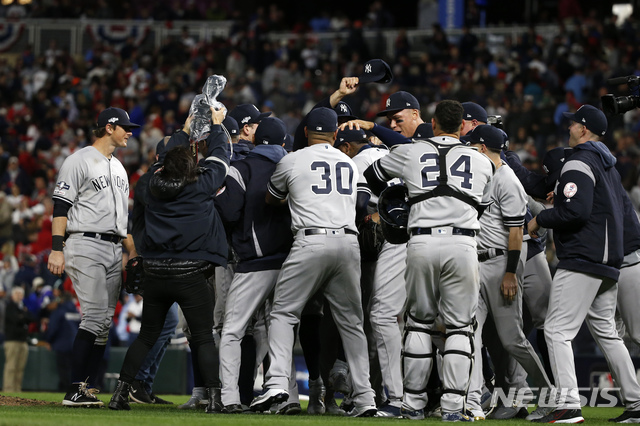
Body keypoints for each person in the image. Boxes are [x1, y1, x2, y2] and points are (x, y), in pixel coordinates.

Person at [363, 99, 494, 421]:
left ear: (433, 124)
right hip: (463, 243)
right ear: (463, 126)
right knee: (460, 327)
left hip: (421, 241)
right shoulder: (481, 161)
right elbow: (483, 205)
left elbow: (373, 176)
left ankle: (413, 404)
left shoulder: (410, 151)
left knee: (418, 322)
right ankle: (452, 407)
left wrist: (410, 192)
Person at [249, 107, 377, 417]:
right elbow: (361, 201)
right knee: (352, 324)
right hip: (348, 242)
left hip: (310, 240)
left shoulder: (292, 159)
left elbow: (271, 198)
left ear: (306, 132)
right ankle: (365, 398)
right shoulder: (348, 162)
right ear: (335, 135)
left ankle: (277, 383)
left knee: (283, 312)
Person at [108, 106, 229, 412]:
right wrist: (215, 125)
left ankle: (119, 394)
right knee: (203, 337)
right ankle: (214, 399)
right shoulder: (201, 184)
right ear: (191, 166)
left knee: (146, 336)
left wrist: (184, 132)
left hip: (157, 273)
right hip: (191, 274)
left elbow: (163, 162)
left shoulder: (148, 185)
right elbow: (220, 156)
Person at [528, 105, 640, 423]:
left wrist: (540, 219)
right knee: (606, 331)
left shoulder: (578, 161)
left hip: (584, 257)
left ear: (584, 130)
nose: (570, 127)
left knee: (556, 330)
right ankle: (636, 401)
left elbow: (574, 212)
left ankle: (567, 403)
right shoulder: (608, 165)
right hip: (609, 260)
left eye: (574, 124)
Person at [49, 107, 140, 407]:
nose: (130, 132)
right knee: (96, 316)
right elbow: (61, 206)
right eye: (125, 127)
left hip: (114, 245)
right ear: (109, 127)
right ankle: (74, 388)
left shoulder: (119, 167)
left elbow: (122, 220)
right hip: (85, 242)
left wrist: (132, 252)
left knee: (104, 322)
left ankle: (84, 387)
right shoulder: (79, 160)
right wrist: (56, 248)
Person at [464, 125, 554, 421]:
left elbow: (517, 232)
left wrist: (511, 273)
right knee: (469, 335)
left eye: (471, 145)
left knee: (512, 338)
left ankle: (549, 396)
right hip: (474, 264)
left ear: (480, 148)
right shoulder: (477, 176)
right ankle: (472, 401)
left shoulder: (507, 180)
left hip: (501, 264)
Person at [215, 116, 296, 414]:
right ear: (283, 142)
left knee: (233, 330)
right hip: (292, 261)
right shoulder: (292, 164)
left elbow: (229, 211)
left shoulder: (242, 167)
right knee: (282, 327)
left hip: (254, 262)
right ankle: (288, 397)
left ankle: (230, 398)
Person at [334, 127, 407, 417]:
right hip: (417, 239)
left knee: (372, 318)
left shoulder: (355, 162)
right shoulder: (391, 153)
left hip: (381, 246)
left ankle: (372, 394)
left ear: (347, 148)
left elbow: (358, 204)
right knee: (407, 323)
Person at [127, 137, 178, 406]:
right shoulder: (149, 180)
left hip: (162, 260)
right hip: (150, 260)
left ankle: (142, 384)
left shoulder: (160, 179)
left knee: (166, 325)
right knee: (164, 323)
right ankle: (137, 382)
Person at [3, 286, 33, 392]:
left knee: (20, 368)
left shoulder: (22, 307)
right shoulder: (10, 306)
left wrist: (23, 316)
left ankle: (17, 389)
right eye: (17, 294)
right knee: (11, 366)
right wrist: (23, 316)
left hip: (22, 340)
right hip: (12, 340)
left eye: (21, 294)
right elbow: (16, 319)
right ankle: (8, 389)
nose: (19, 296)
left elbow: (31, 318)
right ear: (12, 295)